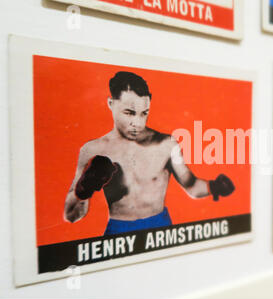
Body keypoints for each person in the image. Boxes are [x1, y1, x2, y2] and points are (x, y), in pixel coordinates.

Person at [64, 71, 235, 235]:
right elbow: (72, 216)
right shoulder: (93, 150)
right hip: (118, 230)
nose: (137, 123)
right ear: (111, 104)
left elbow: (192, 186)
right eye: (129, 113)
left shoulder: (166, 144)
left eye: (144, 113)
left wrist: (214, 187)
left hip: (160, 227)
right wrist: (83, 190)